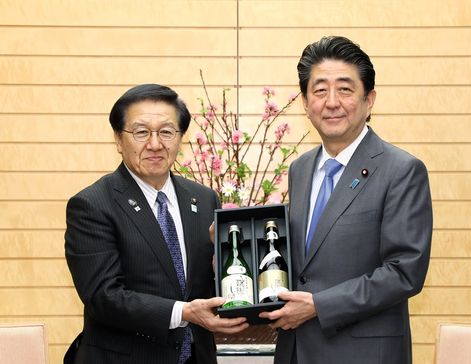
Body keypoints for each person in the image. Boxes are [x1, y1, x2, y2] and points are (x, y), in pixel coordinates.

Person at [259, 36, 433, 363]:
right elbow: (306, 259)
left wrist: (318, 306)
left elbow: (404, 272)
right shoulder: (300, 168)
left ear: (369, 100)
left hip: (363, 353)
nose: (332, 101)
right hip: (296, 351)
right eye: (320, 90)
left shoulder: (401, 170)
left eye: (345, 89)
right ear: (305, 102)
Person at [64, 84, 248, 364]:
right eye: (141, 132)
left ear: (180, 138)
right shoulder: (92, 205)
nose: (155, 144)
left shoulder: (203, 198)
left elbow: (204, 286)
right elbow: (104, 297)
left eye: (166, 132)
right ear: (118, 139)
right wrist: (183, 312)